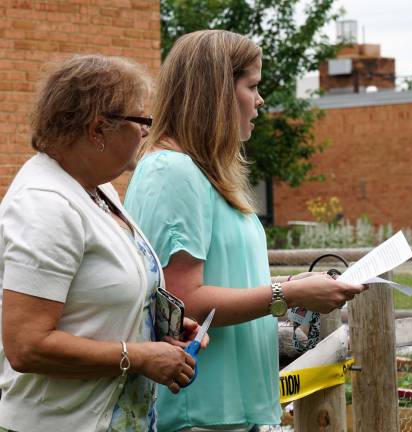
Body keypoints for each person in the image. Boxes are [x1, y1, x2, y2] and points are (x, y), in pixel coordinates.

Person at [124, 30, 366, 432]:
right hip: (199, 409)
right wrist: (286, 294)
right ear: (216, 93)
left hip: (229, 409)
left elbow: (225, 279)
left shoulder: (202, 172)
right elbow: (184, 300)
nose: (260, 100)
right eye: (252, 86)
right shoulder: (173, 172)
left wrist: (293, 282)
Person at [0, 54, 207, 432]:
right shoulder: (45, 206)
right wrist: (139, 356)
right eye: (142, 120)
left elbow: (96, 298)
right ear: (98, 129)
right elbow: (26, 345)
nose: (147, 131)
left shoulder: (97, 190)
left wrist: (157, 326)